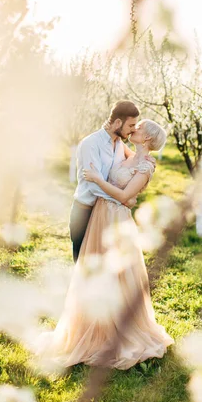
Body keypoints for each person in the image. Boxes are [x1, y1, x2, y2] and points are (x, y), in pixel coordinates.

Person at [35, 119, 173, 370]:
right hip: (101, 216)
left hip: (116, 222)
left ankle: (113, 331)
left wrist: (98, 179)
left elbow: (124, 196)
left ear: (149, 139)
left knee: (116, 276)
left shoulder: (146, 166)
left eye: (139, 128)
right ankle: (90, 325)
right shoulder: (127, 152)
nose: (135, 129)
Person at [70, 100, 140, 262]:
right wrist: (123, 198)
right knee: (83, 265)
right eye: (131, 126)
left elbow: (136, 160)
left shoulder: (119, 144)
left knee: (105, 265)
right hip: (85, 212)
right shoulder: (91, 144)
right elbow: (94, 185)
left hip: (108, 213)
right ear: (117, 122)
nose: (133, 130)